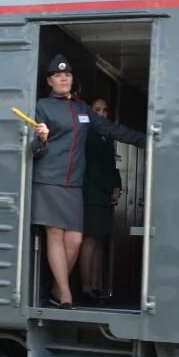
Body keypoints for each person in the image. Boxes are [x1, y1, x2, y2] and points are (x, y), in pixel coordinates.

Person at [30, 55, 144, 309]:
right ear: (49, 80)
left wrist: (145, 139)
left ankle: (56, 289)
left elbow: (110, 129)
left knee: (75, 240)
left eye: (67, 75)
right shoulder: (42, 106)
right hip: (48, 180)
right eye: (58, 75)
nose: (63, 78)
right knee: (56, 235)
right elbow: (32, 149)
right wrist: (42, 138)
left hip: (74, 184)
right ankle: (66, 295)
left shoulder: (82, 109)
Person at [80, 97, 122, 304]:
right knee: (90, 239)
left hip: (104, 194)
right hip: (91, 193)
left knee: (99, 241)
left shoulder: (107, 135)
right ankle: (86, 288)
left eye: (105, 110)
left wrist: (117, 186)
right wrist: (108, 188)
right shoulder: (88, 134)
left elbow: (111, 165)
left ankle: (95, 286)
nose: (101, 114)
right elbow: (94, 169)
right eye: (97, 109)